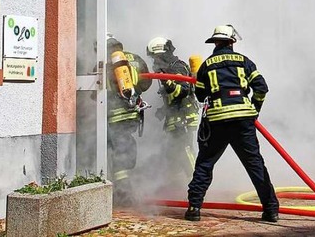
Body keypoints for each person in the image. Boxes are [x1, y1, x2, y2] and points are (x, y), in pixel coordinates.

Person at [185, 25, 279, 223]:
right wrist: (254, 109)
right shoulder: (245, 62)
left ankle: (194, 208)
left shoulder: (207, 64)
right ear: (232, 41)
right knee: (255, 165)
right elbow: (262, 88)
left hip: (218, 120)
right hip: (243, 120)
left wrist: (199, 81)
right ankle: (271, 210)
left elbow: (201, 96)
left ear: (215, 42)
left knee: (205, 163)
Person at [146, 36, 200, 182]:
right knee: (173, 152)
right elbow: (172, 98)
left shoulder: (177, 67)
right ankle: (181, 184)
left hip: (184, 117)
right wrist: (164, 110)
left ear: (162, 54)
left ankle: (198, 183)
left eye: (155, 57)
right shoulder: (168, 69)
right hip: (175, 117)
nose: (154, 62)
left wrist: (167, 81)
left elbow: (182, 91)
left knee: (185, 149)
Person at [106, 35, 152, 206]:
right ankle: (123, 189)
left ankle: (123, 195)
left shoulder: (105, 63)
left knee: (118, 153)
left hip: (114, 115)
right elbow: (147, 82)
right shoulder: (134, 58)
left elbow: (96, 89)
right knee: (124, 148)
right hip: (132, 113)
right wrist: (135, 92)